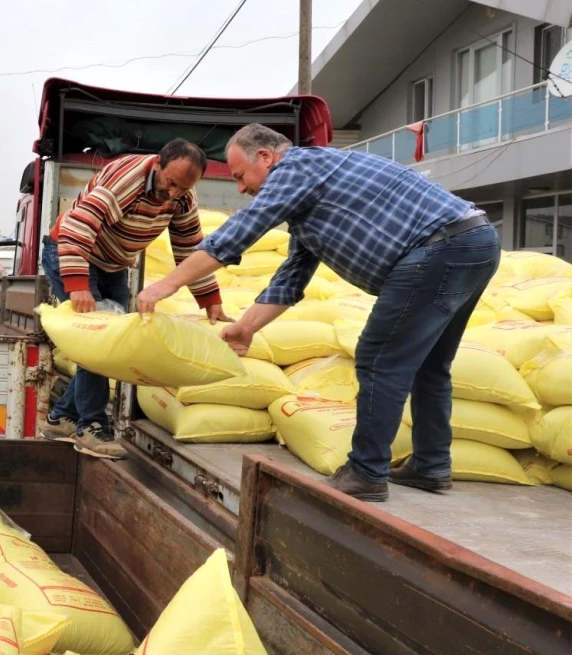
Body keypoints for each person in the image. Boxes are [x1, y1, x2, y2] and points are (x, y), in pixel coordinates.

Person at [137, 123, 499, 502]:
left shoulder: (296, 168)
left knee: (378, 358)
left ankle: (366, 472)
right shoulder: (311, 195)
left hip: (441, 247)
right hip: (474, 242)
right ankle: (431, 465)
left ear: (266, 157)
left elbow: (241, 230)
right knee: (429, 363)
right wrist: (246, 327)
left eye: (241, 176)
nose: (241, 188)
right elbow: (292, 277)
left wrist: (169, 284)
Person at [42, 139, 232, 459]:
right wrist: (77, 285)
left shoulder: (182, 195)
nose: (172, 194)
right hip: (73, 253)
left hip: (112, 264)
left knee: (112, 342)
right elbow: (77, 228)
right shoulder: (125, 180)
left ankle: (62, 418)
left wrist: (209, 298)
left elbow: (190, 247)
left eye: (182, 189)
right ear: (158, 163)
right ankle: (91, 426)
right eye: (170, 183)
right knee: (101, 340)